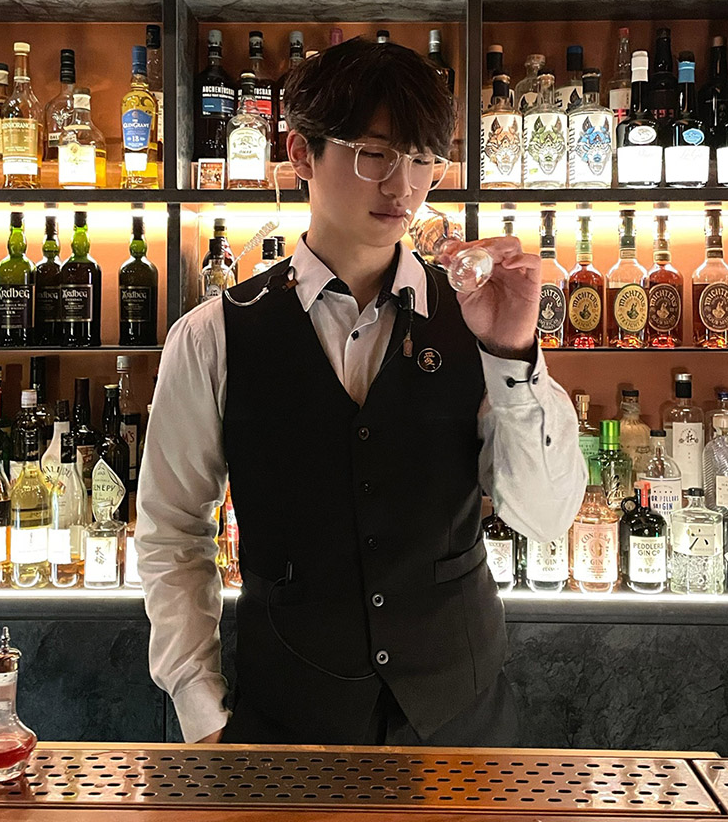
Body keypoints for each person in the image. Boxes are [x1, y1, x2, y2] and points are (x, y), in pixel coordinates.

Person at [136, 37, 587, 747]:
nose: (402, 187)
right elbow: (171, 531)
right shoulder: (212, 335)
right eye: (374, 154)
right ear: (300, 153)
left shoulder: (477, 321)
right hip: (287, 723)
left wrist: (511, 355)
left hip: (460, 721)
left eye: (422, 159)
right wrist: (200, 707)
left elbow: (544, 517)